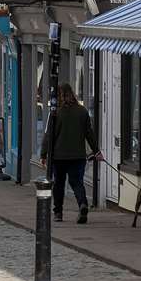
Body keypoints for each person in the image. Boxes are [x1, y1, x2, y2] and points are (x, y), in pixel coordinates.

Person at [40, 83, 97, 224]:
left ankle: (58, 212)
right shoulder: (82, 111)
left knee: (59, 184)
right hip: (78, 156)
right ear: (72, 93)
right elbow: (89, 133)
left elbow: (49, 135)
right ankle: (82, 204)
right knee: (77, 182)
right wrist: (96, 150)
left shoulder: (54, 113)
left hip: (58, 156)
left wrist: (43, 153)